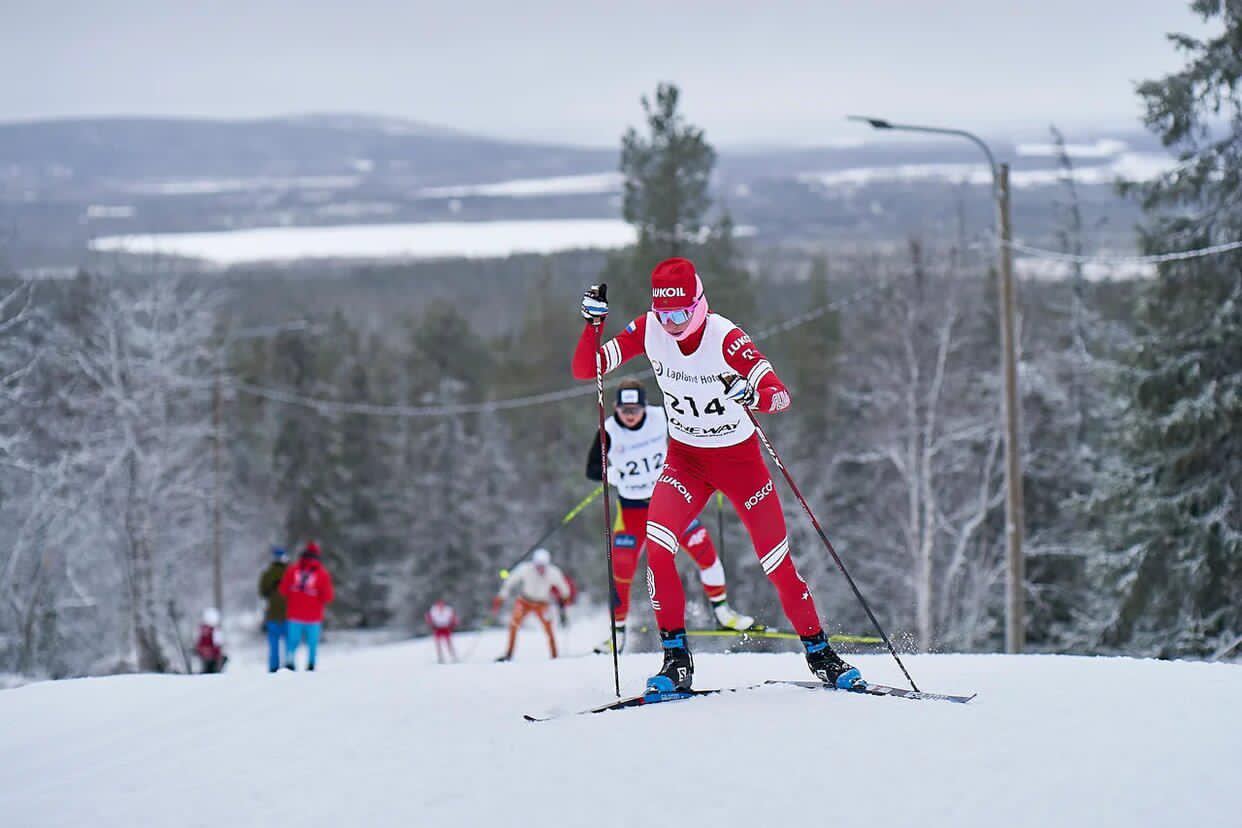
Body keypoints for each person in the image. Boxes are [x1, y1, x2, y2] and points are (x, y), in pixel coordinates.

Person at [571, 257, 863, 692]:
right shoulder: (649, 328)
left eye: (681, 313)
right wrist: (592, 326)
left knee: (777, 563)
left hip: (740, 465)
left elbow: (780, 396)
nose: (671, 323)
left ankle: (821, 654)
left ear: (699, 304)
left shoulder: (725, 337)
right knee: (658, 547)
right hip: (686, 463)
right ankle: (676, 660)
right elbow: (586, 368)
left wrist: (753, 394)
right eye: (664, 313)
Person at [586, 378, 754, 654]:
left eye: (635, 409)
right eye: (624, 410)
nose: (630, 415)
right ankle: (617, 634)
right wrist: (615, 475)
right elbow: (594, 469)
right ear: (615, 408)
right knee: (621, 570)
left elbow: (693, 428)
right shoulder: (608, 429)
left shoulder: (660, 416)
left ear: (644, 407)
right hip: (632, 511)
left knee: (705, 552)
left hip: (670, 502)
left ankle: (724, 613)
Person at [492, 548, 571, 661]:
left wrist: (565, 597)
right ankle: (508, 654)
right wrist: (501, 596)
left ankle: (554, 656)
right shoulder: (525, 569)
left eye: (543, 566)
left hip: (542, 604)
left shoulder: (553, 572)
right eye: (538, 566)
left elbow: (563, 587)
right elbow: (510, 580)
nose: (540, 569)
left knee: (549, 629)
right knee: (514, 625)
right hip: (524, 602)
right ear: (534, 563)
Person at [279, 541, 335, 671]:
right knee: (312, 643)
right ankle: (311, 664)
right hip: (314, 616)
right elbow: (328, 596)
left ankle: (290, 661)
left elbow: (283, 590)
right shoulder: (322, 574)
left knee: (292, 641)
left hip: (294, 613)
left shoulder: (292, 570)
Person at [258, 546, 289, 673]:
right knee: (289, 644)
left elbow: (262, 593)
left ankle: (273, 669)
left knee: (273, 645)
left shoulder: (267, 573)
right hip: (288, 615)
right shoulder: (291, 572)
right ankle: (289, 666)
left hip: (272, 615)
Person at [195, 607, 227, 673]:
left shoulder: (213, 631)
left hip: (209, 657)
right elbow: (218, 646)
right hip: (208, 657)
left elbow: (217, 646)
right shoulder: (213, 631)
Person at [426, 599, 458, 663]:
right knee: (438, 643)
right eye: (439, 604)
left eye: (442, 604)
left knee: (449, 643)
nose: (441, 605)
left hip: (446, 627)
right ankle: (440, 658)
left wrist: (453, 624)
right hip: (437, 628)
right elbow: (429, 618)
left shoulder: (448, 610)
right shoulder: (433, 610)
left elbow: (453, 617)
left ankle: (454, 657)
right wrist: (431, 625)